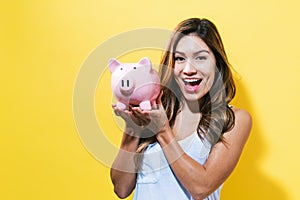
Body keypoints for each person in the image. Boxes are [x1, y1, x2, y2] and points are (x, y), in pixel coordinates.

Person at [110, 18, 252, 200]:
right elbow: (121, 189)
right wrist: (133, 128)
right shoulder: (154, 108)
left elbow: (201, 188)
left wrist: (162, 131)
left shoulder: (232, 120)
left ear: (217, 63)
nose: (188, 69)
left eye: (200, 58)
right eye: (180, 58)